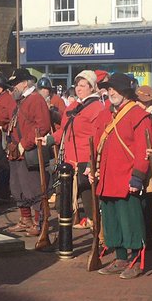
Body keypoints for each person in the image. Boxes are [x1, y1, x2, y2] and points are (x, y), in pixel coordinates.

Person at [89, 73, 152, 278]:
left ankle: (136, 260)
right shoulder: (106, 114)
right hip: (107, 176)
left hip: (126, 177)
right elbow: (97, 142)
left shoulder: (138, 114)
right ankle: (120, 257)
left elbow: (144, 149)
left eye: (114, 88)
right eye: (109, 89)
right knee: (112, 221)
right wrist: (93, 167)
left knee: (131, 221)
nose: (111, 92)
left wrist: (138, 176)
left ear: (125, 91)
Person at [0, 67, 53, 235]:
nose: (11, 87)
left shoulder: (35, 99)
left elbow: (42, 126)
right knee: (17, 187)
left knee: (34, 188)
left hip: (28, 151)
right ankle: (25, 219)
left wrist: (24, 144)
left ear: (24, 83)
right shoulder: (21, 101)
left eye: (14, 84)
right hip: (16, 151)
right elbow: (7, 120)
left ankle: (39, 222)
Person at [60, 70, 106, 229]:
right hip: (70, 159)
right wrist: (49, 139)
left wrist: (90, 162)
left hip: (85, 159)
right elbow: (64, 130)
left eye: (82, 85)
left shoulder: (97, 108)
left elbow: (97, 137)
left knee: (89, 199)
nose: (78, 88)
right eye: (77, 85)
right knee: (65, 201)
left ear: (92, 88)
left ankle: (99, 236)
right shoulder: (74, 106)